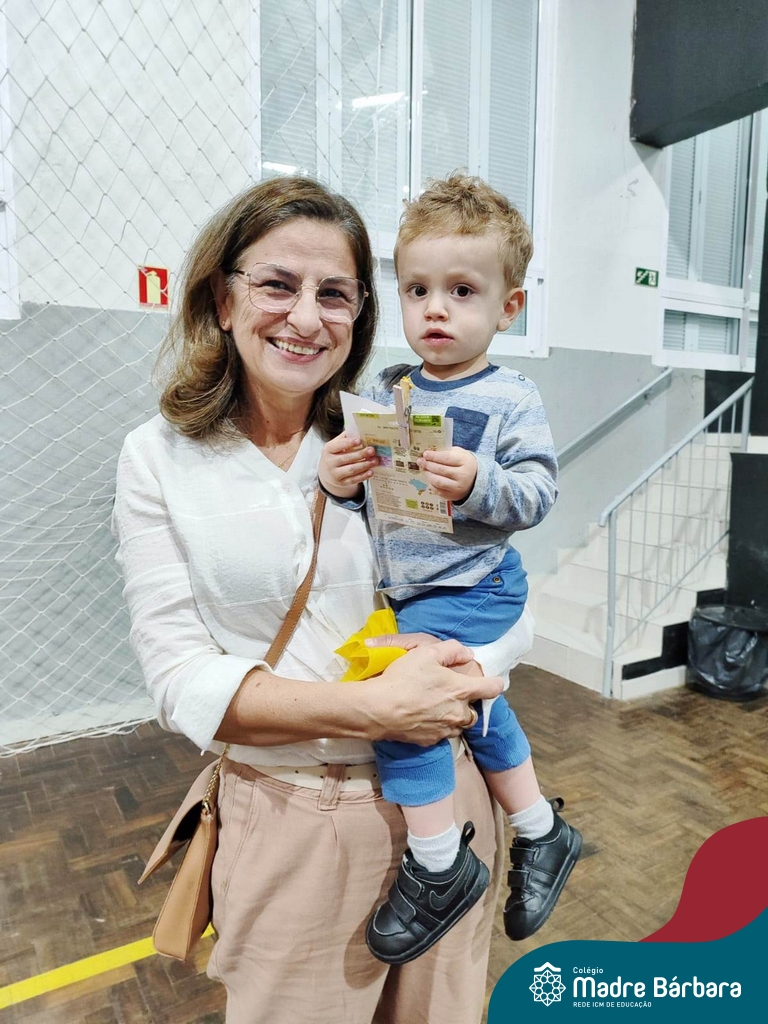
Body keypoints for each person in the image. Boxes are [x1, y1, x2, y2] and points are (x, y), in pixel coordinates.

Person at [111, 176, 534, 1024]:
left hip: (445, 803)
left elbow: (492, 584)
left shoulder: (388, 431)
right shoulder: (159, 458)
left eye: (334, 294)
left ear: (359, 314)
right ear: (222, 300)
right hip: (291, 813)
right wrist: (375, 708)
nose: (305, 318)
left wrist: (468, 666)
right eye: (277, 284)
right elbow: (181, 678)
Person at [319, 174, 582, 964]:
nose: (436, 309)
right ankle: (541, 829)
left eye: (462, 291)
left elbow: (538, 493)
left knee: (403, 703)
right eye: (418, 289)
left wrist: (480, 482)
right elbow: (375, 497)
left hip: (474, 584)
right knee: (479, 707)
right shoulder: (388, 389)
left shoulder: (512, 397)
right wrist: (339, 481)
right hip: (411, 590)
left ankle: (439, 865)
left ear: (508, 307)